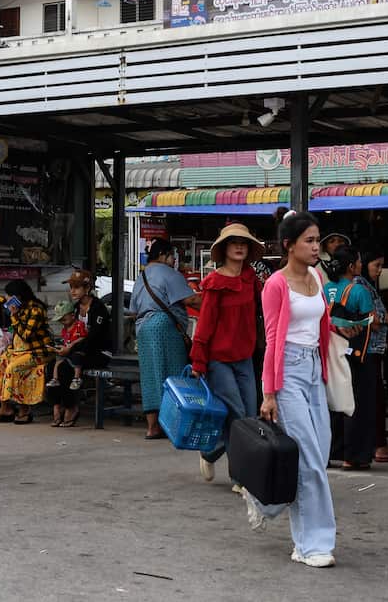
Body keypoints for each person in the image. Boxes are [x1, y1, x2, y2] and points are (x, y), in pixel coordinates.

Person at [249, 210, 337, 568]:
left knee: (319, 453)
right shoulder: (275, 285)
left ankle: (264, 500)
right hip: (287, 372)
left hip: (315, 369)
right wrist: (269, 393)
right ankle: (311, 545)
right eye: (309, 241)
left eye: (317, 240)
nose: (316, 247)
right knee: (310, 460)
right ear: (289, 245)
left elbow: (321, 324)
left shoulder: (316, 276)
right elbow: (272, 340)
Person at [190, 223, 265, 484]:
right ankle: (241, 478)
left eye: (243, 243)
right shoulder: (215, 283)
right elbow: (205, 325)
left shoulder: (251, 280)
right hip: (218, 360)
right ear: (224, 249)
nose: (239, 247)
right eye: (234, 243)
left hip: (244, 357)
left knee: (249, 415)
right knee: (238, 414)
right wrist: (198, 361)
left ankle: (210, 451)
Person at [323, 245, 384, 470]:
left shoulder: (326, 288)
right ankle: (354, 456)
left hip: (331, 352)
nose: (361, 264)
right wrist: (384, 320)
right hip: (357, 353)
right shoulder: (359, 291)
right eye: (358, 261)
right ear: (351, 266)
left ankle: (331, 451)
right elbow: (373, 323)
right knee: (359, 402)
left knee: (333, 401)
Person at [134, 238, 201, 440]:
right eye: (172, 256)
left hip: (143, 329)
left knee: (150, 376)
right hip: (164, 328)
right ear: (163, 255)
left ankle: (152, 427)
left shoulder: (141, 277)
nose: (173, 261)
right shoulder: (169, 273)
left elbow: (134, 308)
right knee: (173, 375)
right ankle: (174, 425)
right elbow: (191, 300)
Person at [45, 269, 112, 428]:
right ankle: (57, 406)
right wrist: (64, 346)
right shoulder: (74, 308)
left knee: (66, 367)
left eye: (77, 287)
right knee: (52, 366)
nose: (72, 291)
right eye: (71, 287)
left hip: (98, 353)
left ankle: (71, 407)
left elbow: (94, 338)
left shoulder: (98, 308)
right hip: (77, 352)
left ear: (87, 288)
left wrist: (70, 348)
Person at [0, 280, 53, 425]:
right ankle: (5, 408)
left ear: (19, 296)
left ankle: (24, 410)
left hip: (37, 352)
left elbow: (26, 335)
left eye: (10, 296)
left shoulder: (36, 310)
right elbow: (3, 301)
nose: (8, 299)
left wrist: (14, 316)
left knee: (13, 368)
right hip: (17, 351)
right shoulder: (18, 306)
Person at [360, 243, 388, 464]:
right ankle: (379, 446)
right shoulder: (362, 287)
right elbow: (373, 321)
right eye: (376, 265)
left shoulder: (368, 286)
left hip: (373, 349)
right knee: (374, 398)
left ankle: (376, 444)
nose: (379, 271)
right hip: (369, 349)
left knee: (374, 397)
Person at [49, 301, 88, 391]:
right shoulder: (65, 329)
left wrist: (72, 344)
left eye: (64, 320)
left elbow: (83, 337)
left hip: (77, 351)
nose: (62, 322)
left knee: (77, 358)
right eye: (60, 321)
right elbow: (65, 340)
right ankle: (55, 379)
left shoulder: (79, 325)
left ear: (73, 316)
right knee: (57, 361)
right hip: (67, 351)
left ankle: (76, 378)